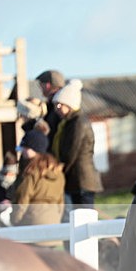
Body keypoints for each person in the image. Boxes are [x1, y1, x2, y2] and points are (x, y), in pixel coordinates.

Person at [51, 78, 103, 206]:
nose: (57, 108)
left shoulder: (78, 122)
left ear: (70, 104)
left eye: (60, 104)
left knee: (84, 217)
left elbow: (71, 150)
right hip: (76, 180)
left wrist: (60, 168)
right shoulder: (68, 122)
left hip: (81, 180)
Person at [10, 129, 65, 241]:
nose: (23, 151)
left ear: (36, 149)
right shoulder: (58, 172)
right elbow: (61, 202)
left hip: (32, 225)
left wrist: (14, 220)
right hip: (54, 226)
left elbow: (22, 200)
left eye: (26, 148)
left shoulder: (31, 172)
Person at [35, 69, 65, 147]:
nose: (40, 89)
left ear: (47, 85)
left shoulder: (56, 106)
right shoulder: (65, 104)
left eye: (40, 85)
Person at [0, 150, 18, 226]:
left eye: (11, 173)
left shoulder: (18, 181)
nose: (8, 176)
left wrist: (11, 203)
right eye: (7, 173)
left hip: (14, 216)